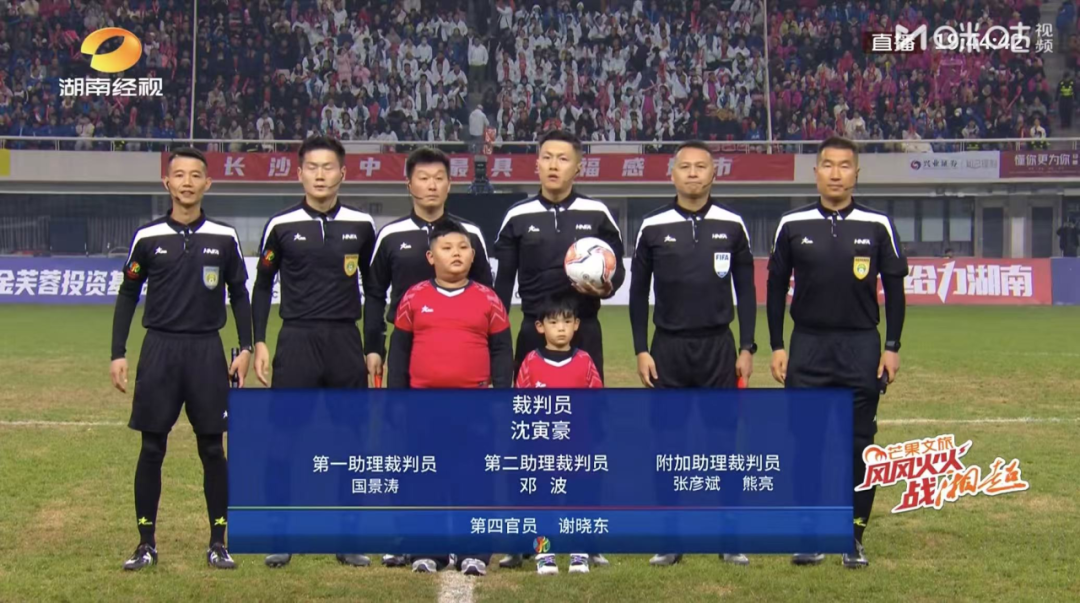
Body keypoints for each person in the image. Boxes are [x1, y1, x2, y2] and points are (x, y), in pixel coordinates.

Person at [767, 137, 908, 569]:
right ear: (816, 173)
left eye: (844, 165)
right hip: (807, 346)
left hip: (861, 346)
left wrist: (892, 346)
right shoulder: (792, 223)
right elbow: (775, 288)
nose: (835, 173)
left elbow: (895, 291)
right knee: (806, 446)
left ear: (856, 173)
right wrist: (777, 344)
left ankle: (853, 538)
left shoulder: (878, 224)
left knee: (859, 447)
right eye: (827, 165)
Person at [110, 147, 252, 571]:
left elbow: (239, 294)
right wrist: (118, 353)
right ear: (167, 183)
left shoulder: (224, 237)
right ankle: (145, 543)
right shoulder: (147, 237)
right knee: (152, 446)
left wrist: (245, 347)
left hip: (207, 351)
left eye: (195, 175)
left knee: (212, 448)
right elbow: (128, 294)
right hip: (160, 350)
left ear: (208, 183)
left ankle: (218, 542)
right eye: (179, 175)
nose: (187, 182)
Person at [493, 129, 624, 571]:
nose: (553, 165)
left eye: (563, 158)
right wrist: (497, 342)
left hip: (584, 333)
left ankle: (588, 538)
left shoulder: (597, 213)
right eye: (546, 156)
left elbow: (617, 272)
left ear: (578, 166)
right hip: (533, 334)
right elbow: (501, 286)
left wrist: (603, 284)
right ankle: (525, 538)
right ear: (536, 164)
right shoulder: (518, 215)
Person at [629, 140, 758, 568]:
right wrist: (641, 349)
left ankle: (729, 538)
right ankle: (670, 539)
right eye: (684, 166)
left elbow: (747, 291)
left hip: (719, 347)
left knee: (724, 445)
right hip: (668, 348)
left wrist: (746, 346)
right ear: (672, 174)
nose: (693, 173)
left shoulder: (733, 224)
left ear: (713, 174)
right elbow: (637, 295)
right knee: (669, 445)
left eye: (701, 166)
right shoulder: (652, 225)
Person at [363, 147, 494, 568]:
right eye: (423, 178)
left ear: (449, 185)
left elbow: (488, 295)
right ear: (409, 184)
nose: (431, 185)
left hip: (461, 363)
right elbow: (374, 294)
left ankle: (461, 540)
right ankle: (408, 538)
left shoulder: (470, 234)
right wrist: (373, 345)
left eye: (439, 178)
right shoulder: (391, 235)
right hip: (410, 357)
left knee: (464, 456)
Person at [252, 135, 377, 569]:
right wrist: (260, 340)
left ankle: (348, 538)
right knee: (284, 441)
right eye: (312, 167)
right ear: (299, 172)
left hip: (345, 341)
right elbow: (262, 285)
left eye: (328, 167)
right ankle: (280, 536)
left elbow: (374, 289)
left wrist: (373, 345)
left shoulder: (362, 225)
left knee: (351, 441)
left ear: (343, 172)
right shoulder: (281, 225)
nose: (320, 175)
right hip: (297, 340)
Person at [388, 218, 513, 577]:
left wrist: (501, 396)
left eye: (462, 248)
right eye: (446, 248)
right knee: (425, 477)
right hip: (423, 404)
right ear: (431, 256)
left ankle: (475, 552)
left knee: (474, 478)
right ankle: (428, 551)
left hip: (474, 404)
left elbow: (501, 350)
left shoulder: (488, 299)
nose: (456, 254)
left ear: (473, 255)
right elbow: (399, 351)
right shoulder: (414, 297)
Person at [515, 294, 602, 575]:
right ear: (540, 327)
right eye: (553, 322)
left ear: (576, 324)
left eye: (566, 321)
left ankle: (579, 554)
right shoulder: (530, 362)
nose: (561, 328)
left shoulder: (585, 361)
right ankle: (544, 554)